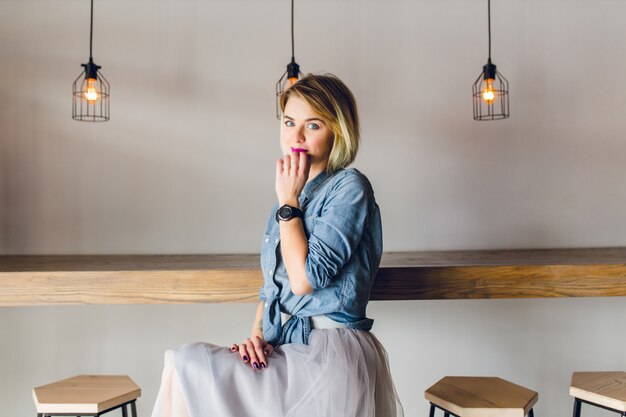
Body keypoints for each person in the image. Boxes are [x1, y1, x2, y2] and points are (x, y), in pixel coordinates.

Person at [151, 73, 403, 417]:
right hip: (282, 344)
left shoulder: (348, 187)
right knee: (184, 365)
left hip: (328, 351)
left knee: (190, 368)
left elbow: (304, 280)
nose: (295, 136)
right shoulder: (290, 200)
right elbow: (271, 290)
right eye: (289, 122)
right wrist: (255, 338)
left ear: (338, 131)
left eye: (313, 125)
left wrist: (288, 202)